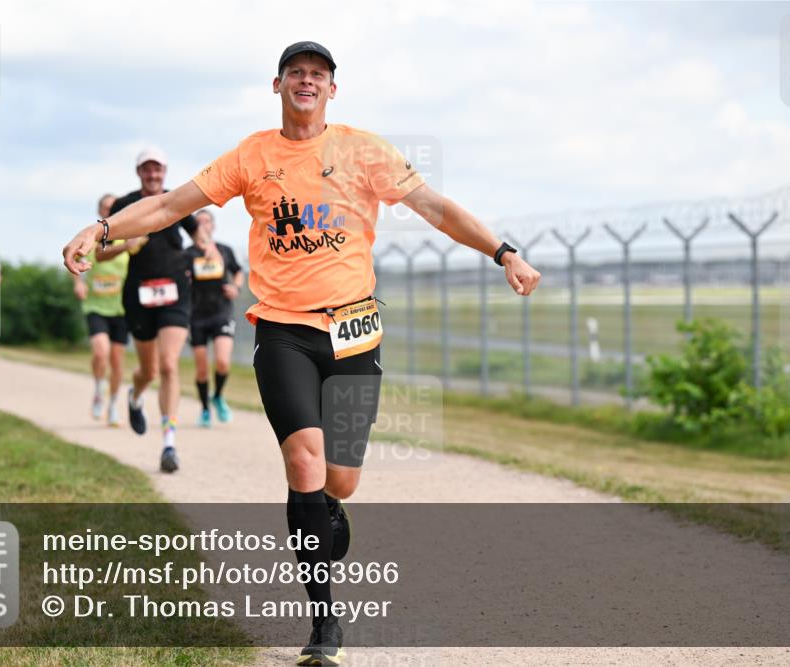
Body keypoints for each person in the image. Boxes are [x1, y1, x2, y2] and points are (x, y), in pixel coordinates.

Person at [63, 41, 541, 666]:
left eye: (318, 75)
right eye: (296, 73)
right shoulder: (253, 155)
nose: (306, 82)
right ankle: (324, 624)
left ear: (332, 90)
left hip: (354, 334)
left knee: (340, 477)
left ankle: (328, 507)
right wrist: (101, 228)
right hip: (282, 331)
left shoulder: (364, 150)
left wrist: (503, 252)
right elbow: (170, 206)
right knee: (303, 461)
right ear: (278, 84)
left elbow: (437, 209)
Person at [110, 147, 209, 473]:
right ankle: (135, 397)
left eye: (158, 170)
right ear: (139, 172)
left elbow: (199, 235)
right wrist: (127, 245)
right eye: (147, 170)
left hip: (176, 292)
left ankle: (169, 443)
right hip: (139, 295)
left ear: (165, 172)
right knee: (148, 371)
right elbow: (101, 254)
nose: (153, 175)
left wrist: (207, 247)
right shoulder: (123, 205)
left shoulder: (176, 201)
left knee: (168, 364)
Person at [73, 193, 135, 426]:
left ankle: (113, 405)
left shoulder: (127, 239)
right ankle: (99, 389)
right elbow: (78, 264)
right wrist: (78, 282)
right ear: (100, 212)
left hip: (121, 308)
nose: (108, 211)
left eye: (112, 207)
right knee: (100, 352)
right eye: (105, 208)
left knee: (118, 362)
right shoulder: (91, 239)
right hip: (96, 305)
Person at [183, 209, 244, 427]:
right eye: (198, 222)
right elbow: (180, 279)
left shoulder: (224, 250)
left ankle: (217, 395)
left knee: (222, 361)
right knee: (201, 368)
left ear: (213, 226)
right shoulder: (187, 254)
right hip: (196, 316)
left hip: (221, 313)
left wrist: (235, 287)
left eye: (207, 221)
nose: (203, 226)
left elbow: (238, 271)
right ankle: (205, 409)